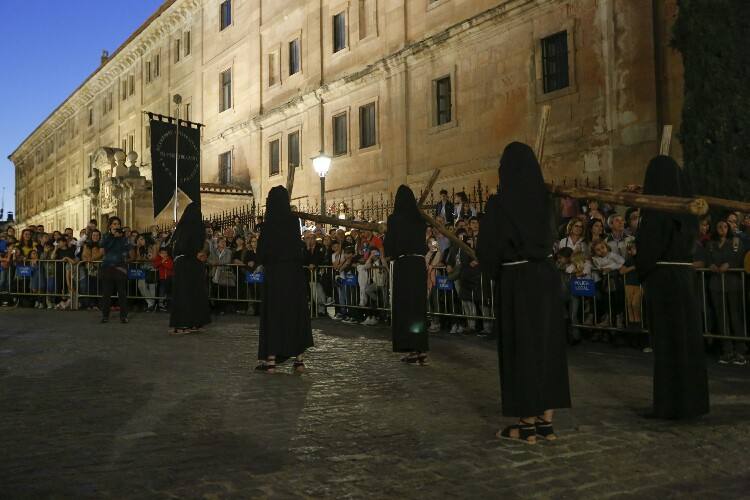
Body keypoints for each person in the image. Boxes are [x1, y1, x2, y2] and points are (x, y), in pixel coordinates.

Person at [478, 142, 570, 444]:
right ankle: (547, 422)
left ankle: (525, 425)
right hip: (546, 278)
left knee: (523, 349)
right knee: (548, 347)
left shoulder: (499, 204)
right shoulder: (546, 200)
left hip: (517, 280)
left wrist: (496, 271)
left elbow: (487, 250)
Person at [634, 155, 709, 419]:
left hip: (664, 278)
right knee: (686, 341)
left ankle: (669, 404)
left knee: (667, 343)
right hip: (684, 277)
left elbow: (649, 248)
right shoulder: (687, 211)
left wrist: (641, 269)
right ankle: (692, 402)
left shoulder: (659, 210)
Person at [255, 186, 313, 373]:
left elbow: (261, 254)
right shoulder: (293, 223)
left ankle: (271, 361)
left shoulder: (267, 225)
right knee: (294, 313)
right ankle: (299, 360)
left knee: (274, 314)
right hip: (294, 275)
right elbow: (298, 249)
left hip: (275, 276)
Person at [384, 185, 429, 365]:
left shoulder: (394, 219)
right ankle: (420, 347)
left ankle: (411, 347)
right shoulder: (420, 219)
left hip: (404, 265)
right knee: (418, 307)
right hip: (419, 265)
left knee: (405, 308)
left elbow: (391, 246)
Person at [169, 203, 211, 334]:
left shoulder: (183, 229)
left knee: (183, 294)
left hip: (184, 264)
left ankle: (182, 324)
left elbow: (180, 247)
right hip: (195, 264)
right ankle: (195, 323)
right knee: (195, 293)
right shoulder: (199, 229)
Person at [100, 217, 130, 323]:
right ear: (110, 226)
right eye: (114, 224)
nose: (116, 226)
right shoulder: (105, 236)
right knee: (106, 293)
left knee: (122, 293)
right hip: (108, 267)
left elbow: (127, 249)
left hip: (120, 267)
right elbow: (103, 248)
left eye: (118, 224)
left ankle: (124, 316)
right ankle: (105, 316)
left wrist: (120, 238)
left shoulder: (123, 238)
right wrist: (112, 236)